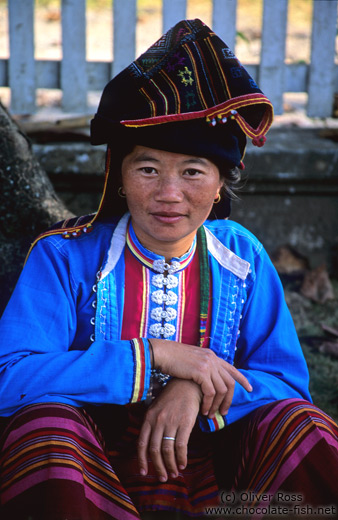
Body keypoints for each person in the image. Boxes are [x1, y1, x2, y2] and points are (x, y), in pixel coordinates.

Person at [0, 19, 337, 520]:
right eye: (148, 168)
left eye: (194, 172)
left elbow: (287, 384)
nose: (169, 193)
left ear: (222, 183)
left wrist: (196, 387)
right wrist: (155, 357)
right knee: (44, 430)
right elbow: (12, 377)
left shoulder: (241, 259)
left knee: (305, 429)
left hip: (222, 480)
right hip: (87, 473)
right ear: (119, 176)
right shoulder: (65, 256)